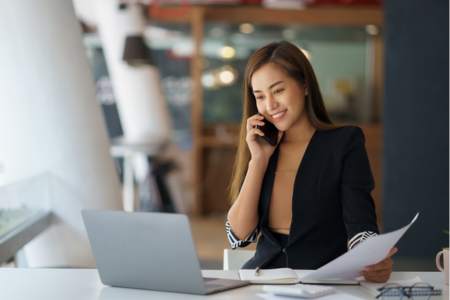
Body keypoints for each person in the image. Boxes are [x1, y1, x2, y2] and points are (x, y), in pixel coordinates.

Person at [225, 41, 396, 283]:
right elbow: (238, 236)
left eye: (278, 90)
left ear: (304, 84)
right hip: (263, 282)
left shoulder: (344, 143)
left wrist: (372, 256)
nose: (270, 105)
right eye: (260, 96)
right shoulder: (261, 149)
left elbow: (360, 223)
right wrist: (258, 161)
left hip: (323, 282)